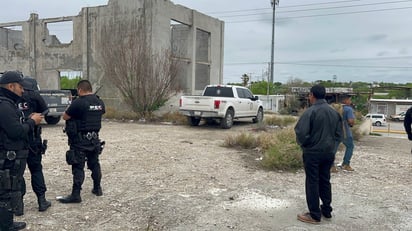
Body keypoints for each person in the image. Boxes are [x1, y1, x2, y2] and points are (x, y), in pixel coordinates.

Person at [0, 71, 43, 231]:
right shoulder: (4, 105)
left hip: (9, 156)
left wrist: (26, 120)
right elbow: (16, 132)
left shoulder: (6, 103)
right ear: (11, 86)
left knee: (9, 190)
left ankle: (7, 222)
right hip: (5, 157)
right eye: (20, 87)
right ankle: (5, 226)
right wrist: (32, 122)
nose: (23, 90)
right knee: (4, 194)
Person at [294, 84, 343, 224]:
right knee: (325, 180)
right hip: (328, 153)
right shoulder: (334, 113)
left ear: (312, 95)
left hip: (313, 153)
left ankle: (315, 215)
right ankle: (326, 211)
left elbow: (301, 133)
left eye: (309, 95)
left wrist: (305, 145)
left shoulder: (310, 112)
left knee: (312, 182)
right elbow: (339, 135)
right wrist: (332, 148)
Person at [57, 80, 105, 203]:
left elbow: (65, 116)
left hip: (80, 140)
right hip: (94, 139)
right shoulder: (99, 102)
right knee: (94, 164)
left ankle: (76, 194)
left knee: (78, 166)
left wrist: (72, 105)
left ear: (80, 90)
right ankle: (97, 188)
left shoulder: (78, 102)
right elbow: (100, 113)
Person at [16, 77, 51, 215]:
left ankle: (18, 205)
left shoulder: (10, 97)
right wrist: (36, 116)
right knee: (36, 169)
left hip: (17, 140)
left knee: (17, 172)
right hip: (33, 138)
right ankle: (42, 201)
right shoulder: (35, 95)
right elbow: (46, 111)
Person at [338, 94, 356, 171]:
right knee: (350, 146)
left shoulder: (336, 108)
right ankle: (346, 163)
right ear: (345, 100)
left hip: (334, 131)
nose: (350, 101)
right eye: (349, 100)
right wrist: (352, 124)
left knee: (334, 148)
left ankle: (331, 166)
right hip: (345, 131)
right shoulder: (348, 109)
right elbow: (351, 121)